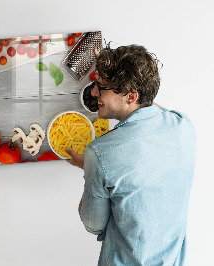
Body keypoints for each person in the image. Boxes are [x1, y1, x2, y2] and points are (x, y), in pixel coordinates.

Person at [66, 44, 196, 265]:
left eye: (102, 87)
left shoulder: (100, 153)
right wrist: (113, 69)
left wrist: (91, 168)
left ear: (131, 96)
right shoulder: (183, 125)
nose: (94, 92)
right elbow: (150, 108)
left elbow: (93, 225)